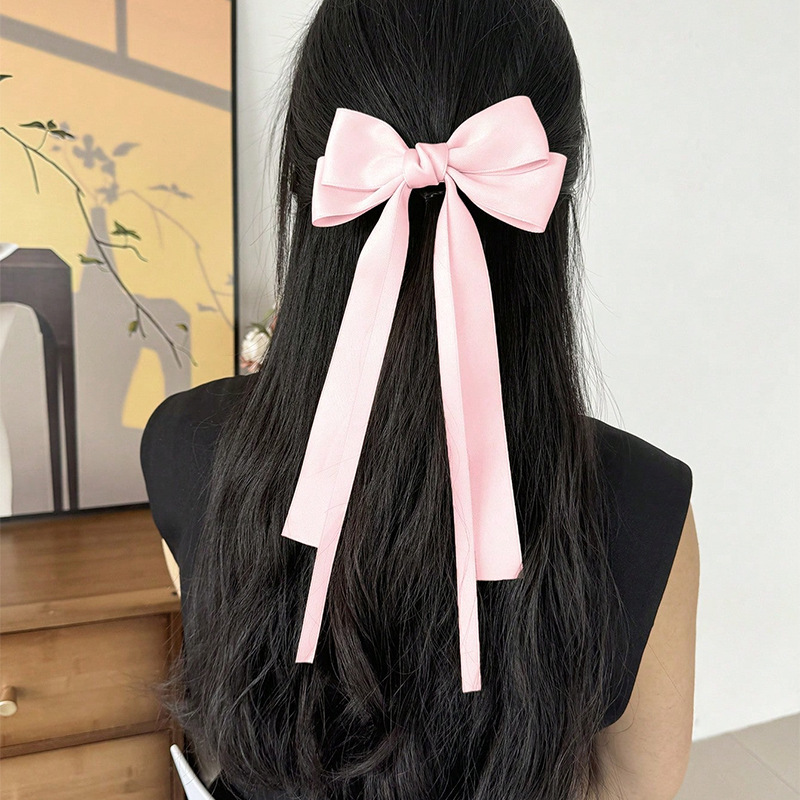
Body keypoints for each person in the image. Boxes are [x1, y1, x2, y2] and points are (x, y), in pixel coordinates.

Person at [140, 1, 699, 798]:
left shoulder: (182, 443)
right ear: (553, 188)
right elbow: (635, 789)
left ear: (308, 180)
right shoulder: (645, 505)